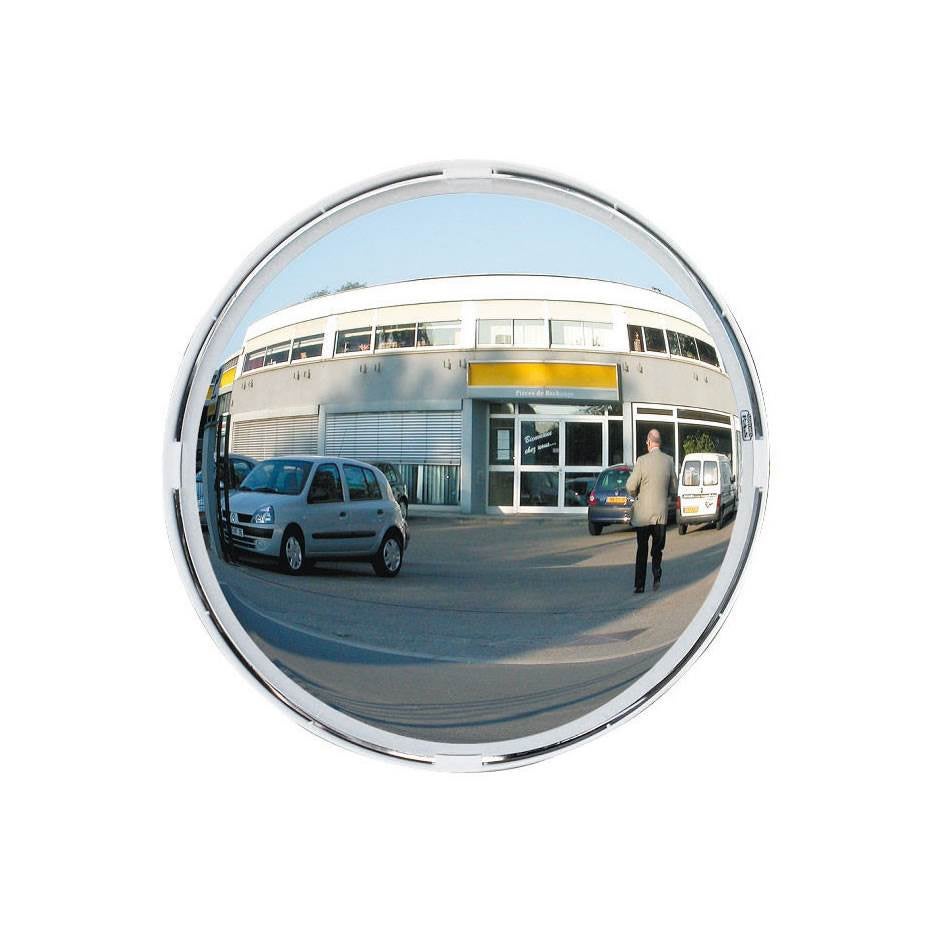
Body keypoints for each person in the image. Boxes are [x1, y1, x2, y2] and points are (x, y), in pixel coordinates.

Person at [627, 429, 678, 593]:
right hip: (660, 515)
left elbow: (630, 486)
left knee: (642, 550)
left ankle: (639, 585)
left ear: (649, 442)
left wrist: (636, 494)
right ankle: (656, 577)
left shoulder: (642, 461)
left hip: (642, 516)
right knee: (657, 549)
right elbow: (674, 488)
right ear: (659, 442)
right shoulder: (669, 461)